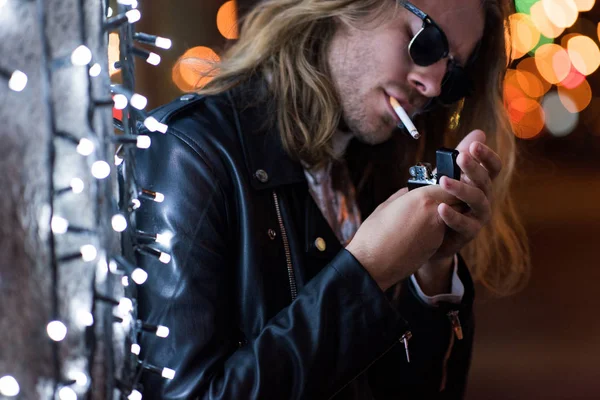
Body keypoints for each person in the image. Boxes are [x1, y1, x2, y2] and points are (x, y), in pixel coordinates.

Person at [132, 0, 530, 398]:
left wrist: (432, 269)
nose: (434, 85)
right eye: (425, 42)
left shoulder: (372, 167)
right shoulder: (191, 153)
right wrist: (367, 273)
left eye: (454, 73)